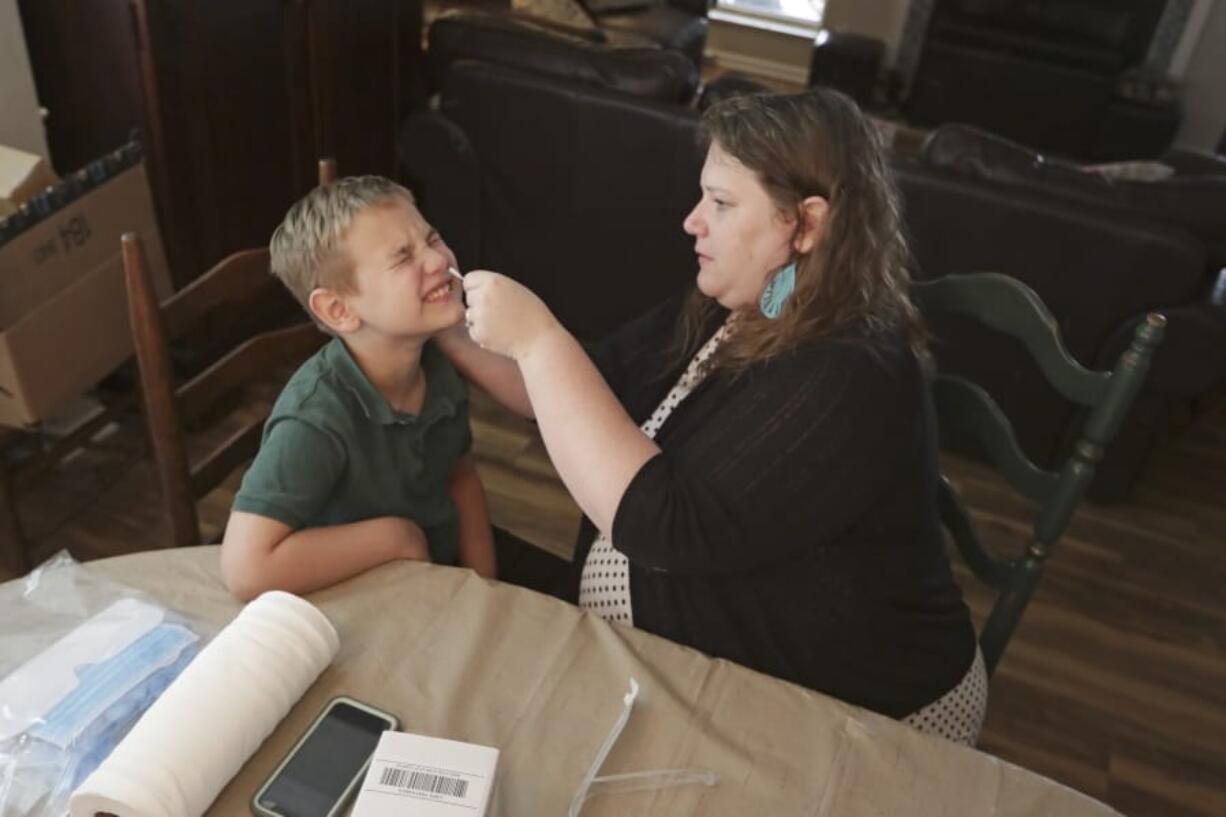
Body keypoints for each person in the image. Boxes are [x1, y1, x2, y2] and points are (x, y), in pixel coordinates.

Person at [439, 88, 987, 744]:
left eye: (722, 203)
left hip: (862, 709)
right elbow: (580, 391)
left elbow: (663, 526)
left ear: (805, 225)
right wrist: (441, 320)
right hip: (703, 636)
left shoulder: (853, 372)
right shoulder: (762, 299)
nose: (692, 221)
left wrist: (537, 338)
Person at [220, 176, 496, 602]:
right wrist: (397, 537)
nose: (438, 260)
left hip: (434, 581)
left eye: (432, 238)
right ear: (338, 310)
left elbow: (460, 476)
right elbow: (244, 568)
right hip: (362, 601)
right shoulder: (315, 419)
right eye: (403, 257)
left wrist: (486, 591)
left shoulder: (435, 358)